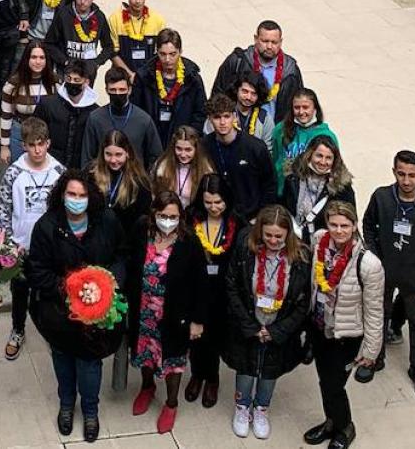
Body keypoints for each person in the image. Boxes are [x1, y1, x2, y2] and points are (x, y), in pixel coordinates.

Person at [27, 168, 127, 442]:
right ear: (62, 195)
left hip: (99, 311)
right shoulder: (47, 226)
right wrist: (71, 288)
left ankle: (91, 410)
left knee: (89, 363)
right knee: (62, 358)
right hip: (60, 311)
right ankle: (67, 405)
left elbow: (121, 255)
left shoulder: (106, 220)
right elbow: (37, 271)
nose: (76, 199)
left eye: (82, 195)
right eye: (71, 193)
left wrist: (108, 283)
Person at [358, 150, 415, 399]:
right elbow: (368, 224)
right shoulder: (382, 197)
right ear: (394, 172)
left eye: (412, 175)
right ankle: (375, 357)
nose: (406, 181)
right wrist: (373, 255)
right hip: (383, 273)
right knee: (378, 316)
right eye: (401, 174)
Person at [224, 205, 311, 440]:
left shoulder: (301, 257)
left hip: (278, 325)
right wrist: (251, 327)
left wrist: (276, 330)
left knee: (269, 371)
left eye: (278, 236)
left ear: (288, 235)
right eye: (268, 235)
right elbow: (232, 286)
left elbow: (303, 302)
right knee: (246, 367)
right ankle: (242, 407)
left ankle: (262, 408)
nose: (273, 240)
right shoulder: (246, 249)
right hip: (249, 323)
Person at [125, 192, 208, 434]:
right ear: (154, 214)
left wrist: (198, 321)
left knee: (173, 362)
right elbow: (129, 260)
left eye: (173, 216)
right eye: (163, 215)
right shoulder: (142, 230)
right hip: (144, 312)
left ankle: (171, 403)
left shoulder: (188, 241)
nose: (168, 221)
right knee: (145, 354)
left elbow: (201, 284)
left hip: (174, 315)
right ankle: (147, 387)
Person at [304, 201, 384, 449]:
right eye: (334, 225)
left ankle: (345, 427)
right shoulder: (319, 242)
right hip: (320, 326)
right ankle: (331, 421)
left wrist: (371, 351)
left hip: (346, 334)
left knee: (334, 384)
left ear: (355, 225)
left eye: (345, 226)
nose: (339, 231)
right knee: (324, 379)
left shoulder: (369, 264)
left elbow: (374, 311)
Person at [0, 118, 67, 361]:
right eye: (31, 144)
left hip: (50, 248)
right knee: (20, 291)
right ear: (23, 145)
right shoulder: (14, 173)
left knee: (49, 291)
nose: (37, 150)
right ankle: (18, 330)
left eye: (41, 144)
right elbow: (3, 208)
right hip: (21, 247)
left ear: (48, 143)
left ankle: (50, 330)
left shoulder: (59, 173)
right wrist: (7, 244)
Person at [90, 129, 154, 392]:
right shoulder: (92, 177)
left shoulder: (140, 183)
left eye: (119, 154)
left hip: (127, 255)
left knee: (122, 314)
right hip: (97, 254)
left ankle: (120, 373)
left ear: (128, 153)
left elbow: (141, 226)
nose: (114, 160)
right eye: (109, 154)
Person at [185, 175, 242, 409]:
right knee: (196, 338)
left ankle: (212, 379)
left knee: (215, 339)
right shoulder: (192, 219)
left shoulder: (237, 225)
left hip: (223, 292)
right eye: (208, 202)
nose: (214, 207)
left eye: (218, 202)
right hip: (196, 288)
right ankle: (196, 375)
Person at [212, 20, 304, 123]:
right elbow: (217, 96)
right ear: (256, 39)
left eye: (274, 42)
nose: (269, 46)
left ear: (281, 42)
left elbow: (300, 103)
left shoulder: (290, 70)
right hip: (238, 129)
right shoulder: (238, 61)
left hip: (277, 132)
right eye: (265, 41)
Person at [202, 93, 276, 220]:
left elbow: (270, 185)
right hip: (217, 216)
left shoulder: (255, 147)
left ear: (234, 117)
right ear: (209, 119)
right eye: (217, 117)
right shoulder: (204, 146)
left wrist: (260, 216)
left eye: (226, 116)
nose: (222, 122)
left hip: (250, 217)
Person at [129, 29, 207, 149]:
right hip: (151, 138)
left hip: (183, 142)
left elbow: (200, 112)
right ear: (157, 52)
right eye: (162, 54)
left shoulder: (193, 78)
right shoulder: (144, 76)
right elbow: (136, 109)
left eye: (172, 54)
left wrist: (189, 138)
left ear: (180, 51)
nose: (167, 60)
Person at [81, 66, 164, 170]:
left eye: (122, 89)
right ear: (106, 90)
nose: (117, 94)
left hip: (135, 181)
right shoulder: (95, 118)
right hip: (103, 181)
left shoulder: (143, 119)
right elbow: (87, 158)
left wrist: (145, 180)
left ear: (129, 90)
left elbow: (156, 157)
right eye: (113, 90)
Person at [281, 135, 356, 244]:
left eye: (328, 158)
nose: (323, 162)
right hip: (293, 242)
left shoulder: (342, 188)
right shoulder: (293, 179)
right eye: (319, 156)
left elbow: (350, 220)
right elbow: (285, 209)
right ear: (310, 155)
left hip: (326, 245)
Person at [45, 0, 115, 86]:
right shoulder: (63, 15)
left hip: (89, 74)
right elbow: (49, 43)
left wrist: (96, 63)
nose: (83, 2)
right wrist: (65, 61)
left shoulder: (100, 16)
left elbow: (109, 46)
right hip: (66, 72)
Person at [0, 40, 56, 165]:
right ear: (26, 59)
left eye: (42, 57)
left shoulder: (55, 82)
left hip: (45, 135)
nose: (38, 61)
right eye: (34, 57)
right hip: (19, 135)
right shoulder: (13, 84)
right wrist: (4, 147)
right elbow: (6, 115)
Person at [34, 59, 97, 167]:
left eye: (77, 80)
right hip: (49, 166)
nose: (72, 83)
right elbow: (35, 134)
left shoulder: (94, 112)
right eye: (69, 78)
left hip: (79, 170)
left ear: (86, 82)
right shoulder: (47, 104)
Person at [272, 88, 337, 188]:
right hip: (281, 190)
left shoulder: (326, 136)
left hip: (309, 192)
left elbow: (334, 168)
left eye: (306, 107)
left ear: (315, 108)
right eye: (297, 107)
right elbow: (274, 158)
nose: (301, 112)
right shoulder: (280, 129)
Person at [108, 0, 167, 81]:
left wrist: (145, 75)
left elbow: (161, 52)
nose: (137, 1)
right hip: (123, 77)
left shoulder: (157, 20)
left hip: (149, 77)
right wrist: (130, 75)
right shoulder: (115, 19)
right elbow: (112, 52)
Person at [205, 72, 274, 153]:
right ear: (236, 90)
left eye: (253, 94)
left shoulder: (265, 118)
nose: (248, 97)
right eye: (245, 91)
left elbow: (267, 150)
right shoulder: (222, 112)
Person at [150, 125, 214, 209]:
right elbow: (154, 194)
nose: (183, 154)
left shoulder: (205, 171)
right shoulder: (161, 167)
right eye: (179, 149)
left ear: (196, 149)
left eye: (188, 150)